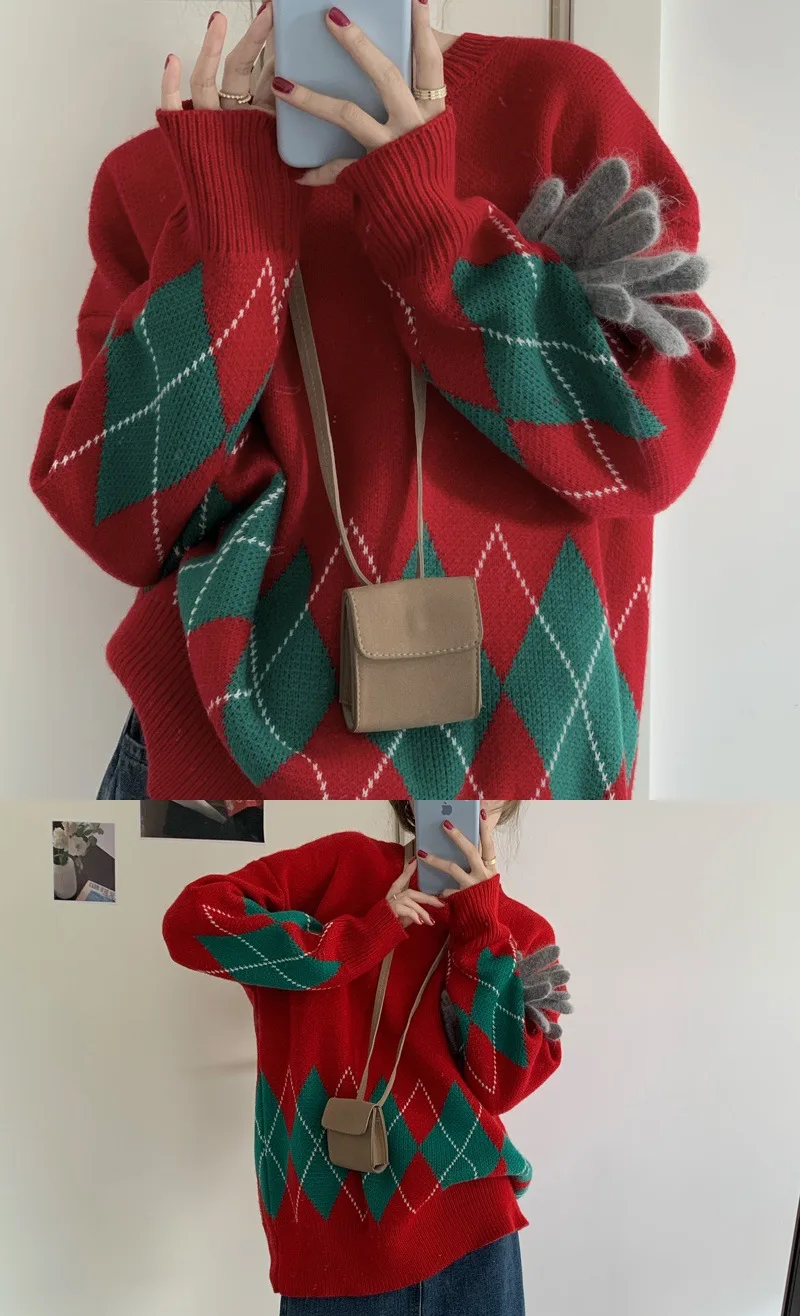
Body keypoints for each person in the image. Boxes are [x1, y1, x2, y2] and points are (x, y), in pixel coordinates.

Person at [32, 4, 733, 805]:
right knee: (76, 882)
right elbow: (121, 524)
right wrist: (230, 234)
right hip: (223, 781)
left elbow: (652, 447)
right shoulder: (166, 170)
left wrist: (431, 229)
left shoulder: (557, 103)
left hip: (517, 773)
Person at [163, 802, 565, 1316]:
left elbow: (507, 1079)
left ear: (509, 805)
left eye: (487, 788)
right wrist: (365, 932)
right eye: (444, 776)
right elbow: (191, 925)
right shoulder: (338, 869)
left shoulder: (529, 932)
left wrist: (478, 923)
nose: (465, 797)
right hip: (332, 1222)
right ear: (406, 792)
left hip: (466, 1226)